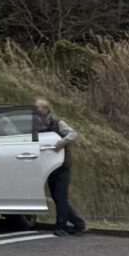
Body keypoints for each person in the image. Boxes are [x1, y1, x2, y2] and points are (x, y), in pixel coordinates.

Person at [33, 98, 85, 233]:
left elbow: (73, 134)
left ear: (45, 110)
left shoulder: (57, 123)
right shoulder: (36, 125)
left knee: (61, 196)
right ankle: (78, 223)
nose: (36, 110)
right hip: (48, 165)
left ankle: (60, 225)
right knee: (57, 197)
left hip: (62, 165)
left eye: (38, 108)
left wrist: (62, 142)